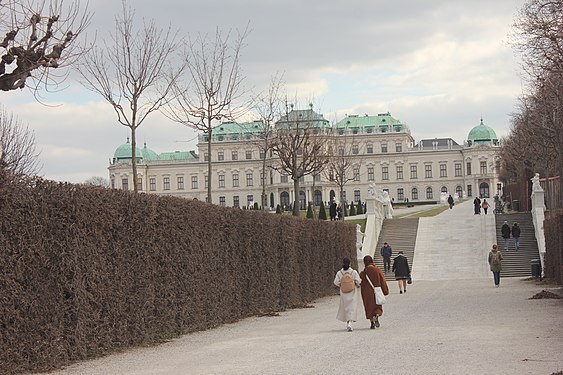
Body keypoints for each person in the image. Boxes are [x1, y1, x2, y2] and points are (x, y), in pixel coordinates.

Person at [359, 255, 389, 329]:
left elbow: (360, 282)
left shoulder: (363, 272)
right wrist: (385, 291)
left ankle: (372, 322)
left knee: (368, 307)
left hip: (366, 292)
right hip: (376, 290)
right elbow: (382, 281)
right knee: (378, 306)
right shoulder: (377, 270)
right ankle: (377, 315)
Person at [333, 257, 361, 332]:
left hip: (343, 292)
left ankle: (348, 322)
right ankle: (350, 322)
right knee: (351, 307)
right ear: (350, 263)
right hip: (352, 291)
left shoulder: (340, 273)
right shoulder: (353, 272)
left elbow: (335, 282)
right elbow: (358, 281)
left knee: (345, 307)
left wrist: (341, 285)